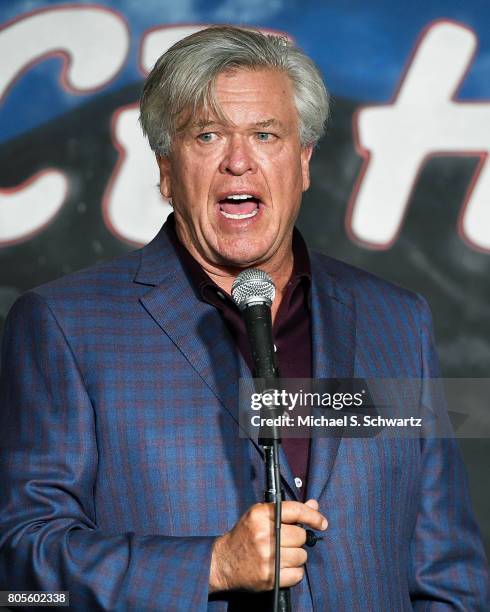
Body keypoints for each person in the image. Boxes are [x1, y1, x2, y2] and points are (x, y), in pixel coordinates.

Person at [0, 25, 487, 611]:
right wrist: (209, 565)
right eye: (207, 136)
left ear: (304, 160)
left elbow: (446, 572)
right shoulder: (64, 325)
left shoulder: (397, 320)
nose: (238, 162)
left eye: (265, 134)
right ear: (164, 169)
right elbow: (23, 570)